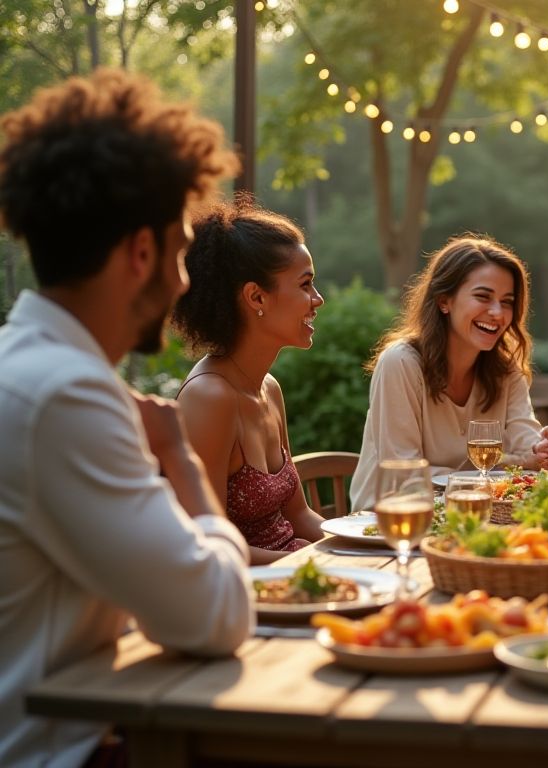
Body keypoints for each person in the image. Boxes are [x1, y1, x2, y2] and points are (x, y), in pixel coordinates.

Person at [0, 69, 252, 767]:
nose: (183, 281)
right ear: (141, 253)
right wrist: (180, 461)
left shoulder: (24, 367)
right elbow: (218, 613)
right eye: (178, 252)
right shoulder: (65, 397)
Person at [350, 234, 548, 512]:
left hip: (472, 516)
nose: (497, 313)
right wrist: (492, 474)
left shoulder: (505, 368)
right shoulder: (401, 363)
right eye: (482, 297)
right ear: (444, 301)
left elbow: (527, 442)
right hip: (386, 523)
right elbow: (403, 472)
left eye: (507, 301)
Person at [172, 199, 327, 564]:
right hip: (250, 597)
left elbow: (300, 517)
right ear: (256, 296)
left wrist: (363, 543)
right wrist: (311, 565)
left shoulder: (269, 388)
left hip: (301, 578)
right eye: (305, 285)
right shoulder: (208, 398)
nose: (317, 300)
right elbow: (206, 546)